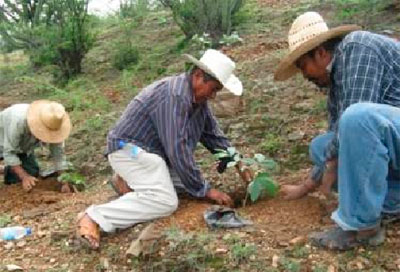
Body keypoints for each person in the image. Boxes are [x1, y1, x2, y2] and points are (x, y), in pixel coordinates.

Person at [76, 49, 245, 249]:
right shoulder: (174, 95)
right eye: (214, 89)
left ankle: (129, 181)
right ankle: (94, 217)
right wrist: (206, 190)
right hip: (127, 148)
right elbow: (177, 149)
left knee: (186, 184)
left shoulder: (198, 103)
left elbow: (214, 136)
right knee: (166, 201)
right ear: (198, 76)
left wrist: (240, 164)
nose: (214, 95)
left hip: (151, 154)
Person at [274, 11, 400, 250]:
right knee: (321, 146)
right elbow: (339, 137)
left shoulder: (359, 47)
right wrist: (307, 186)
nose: (305, 76)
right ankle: (391, 202)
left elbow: (356, 120)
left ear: (321, 53)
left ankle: (361, 227)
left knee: (356, 119)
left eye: (304, 67)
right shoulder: (337, 78)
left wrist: (332, 166)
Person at [0, 100, 71, 192]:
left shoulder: (55, 125)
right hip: (3, 140)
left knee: (29, 173)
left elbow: (58, 155)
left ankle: (6, 169)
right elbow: (9, 152)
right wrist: (24, 177)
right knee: (24, 176)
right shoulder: (18, 121)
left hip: (20, 148)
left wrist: (64, 182)